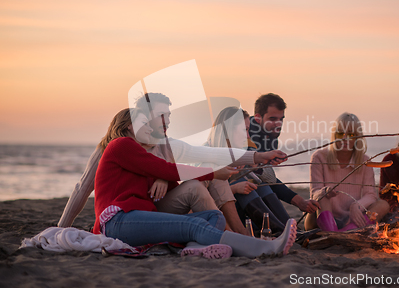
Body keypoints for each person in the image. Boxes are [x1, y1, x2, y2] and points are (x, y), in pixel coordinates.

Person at [58, 93, 286, 228]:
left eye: (168, 116)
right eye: (160, 116)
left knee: (211, 172)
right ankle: (237, 236)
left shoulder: (165, 144)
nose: (166, 121)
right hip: (128, 215)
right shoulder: (112, 148)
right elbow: (82, 189)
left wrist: (257, 156)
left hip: (161, 206)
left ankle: (237, 236)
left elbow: (206, 154)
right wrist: (62, 228)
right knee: (211, 175)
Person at [94, 108, 297, 259]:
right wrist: (214, 173)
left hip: (138, 216)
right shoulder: (121, 144)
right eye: (145, 123)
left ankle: (196, 248)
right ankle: (263, 248)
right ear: (130, 125)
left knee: (213, 216)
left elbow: (166, 171)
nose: (151, 128)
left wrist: (258, 156)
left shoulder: (142, 150)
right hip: (117, 220)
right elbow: (166, 169)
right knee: (194, 224)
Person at [201, 106, 292, 234]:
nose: (248, 136)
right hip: (219, 216)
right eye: (245, 130)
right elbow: (200, 196)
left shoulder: (244, 150)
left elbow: (270, 179)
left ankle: (290, 229)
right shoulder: (206, 154)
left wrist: (256, 167)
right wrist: (234, 188)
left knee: (259, 185)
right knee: (244, 188)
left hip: (244, 215)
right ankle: (281, 231)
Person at [306, 113, 389, 231]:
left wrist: (356, 206)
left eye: (351, 134)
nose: (345, 138)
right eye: (340, 133)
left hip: (351, 218)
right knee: (322, 196)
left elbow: (370, 195)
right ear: (334, 135)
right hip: (321, 217)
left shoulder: (364, 161)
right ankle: (332, 233)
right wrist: (326, 191)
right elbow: (314, 193)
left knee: (383, 205)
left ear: (357, 137)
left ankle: (347, 232)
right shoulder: (319, 157)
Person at [248, 93, 320, 217]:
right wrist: (299, 201)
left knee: (263, 184)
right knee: (262, 185)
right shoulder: (247, 133)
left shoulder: (270, 137)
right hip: (233, 189)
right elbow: (266, 178)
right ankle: (287, 228)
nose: (278, 124)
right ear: (258, 118)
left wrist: (300, 202)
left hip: (253, 189)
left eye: (281, 119)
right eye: (272, 119)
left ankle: (287, 228)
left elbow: (266, 178)